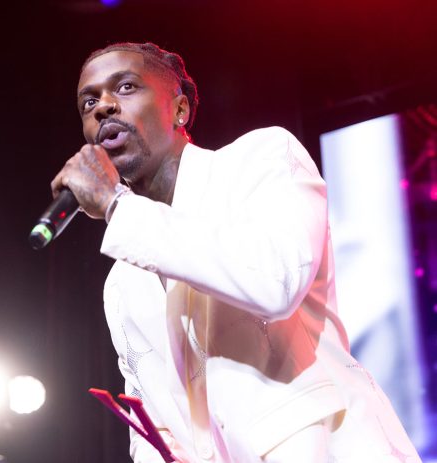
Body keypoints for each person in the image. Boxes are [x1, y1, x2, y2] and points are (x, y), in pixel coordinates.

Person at [50, 42, 421, 463]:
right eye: (89, 102)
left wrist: (117, 206)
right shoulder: (122, 283)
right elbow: (156, 424)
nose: (103, 107)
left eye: (126, 87)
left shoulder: (261, 160)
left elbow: (277, 282)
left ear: (180, 109)